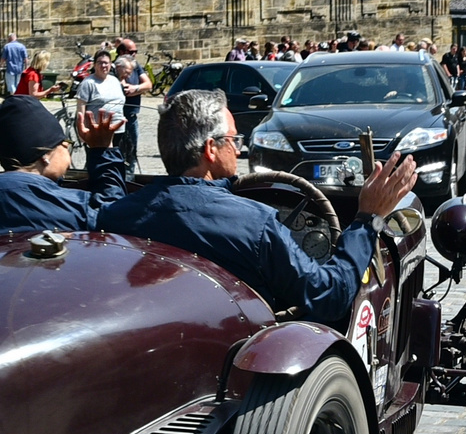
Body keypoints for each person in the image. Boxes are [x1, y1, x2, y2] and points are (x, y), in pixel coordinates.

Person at [96, 90, 416, 326]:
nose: (239, 148)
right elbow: (329, 297)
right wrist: (366, 220)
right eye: (233, 140)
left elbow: (99, 204)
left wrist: (101, 152)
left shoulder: (119, 214)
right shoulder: (254, 223)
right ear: (210, 149)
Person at [0, 97, 125, 257]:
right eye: (66, 145)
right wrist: (102, 151)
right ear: (45, 156)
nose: (69, 152)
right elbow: (116, 219)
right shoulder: (75, 207)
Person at [115, 39, 152, 172]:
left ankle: (130, 177)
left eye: (136, 51)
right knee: (117, 151)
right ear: (122, 52)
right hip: (117, 116)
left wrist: (135, 88)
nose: (134, 54)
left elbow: (148, 84)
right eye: (131, 52)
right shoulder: (114, 67)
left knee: (131, 153)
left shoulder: (135, 65)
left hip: (132, 115)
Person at [76, 50, 126, 126]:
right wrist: (83, 132)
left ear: (110, 64)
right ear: (95, 65)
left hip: (119, 128)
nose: (103, 65)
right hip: (98, 131)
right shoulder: (88, 83)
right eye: (100, 63)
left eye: (106, 63)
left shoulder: (115, 80)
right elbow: (80, 112)